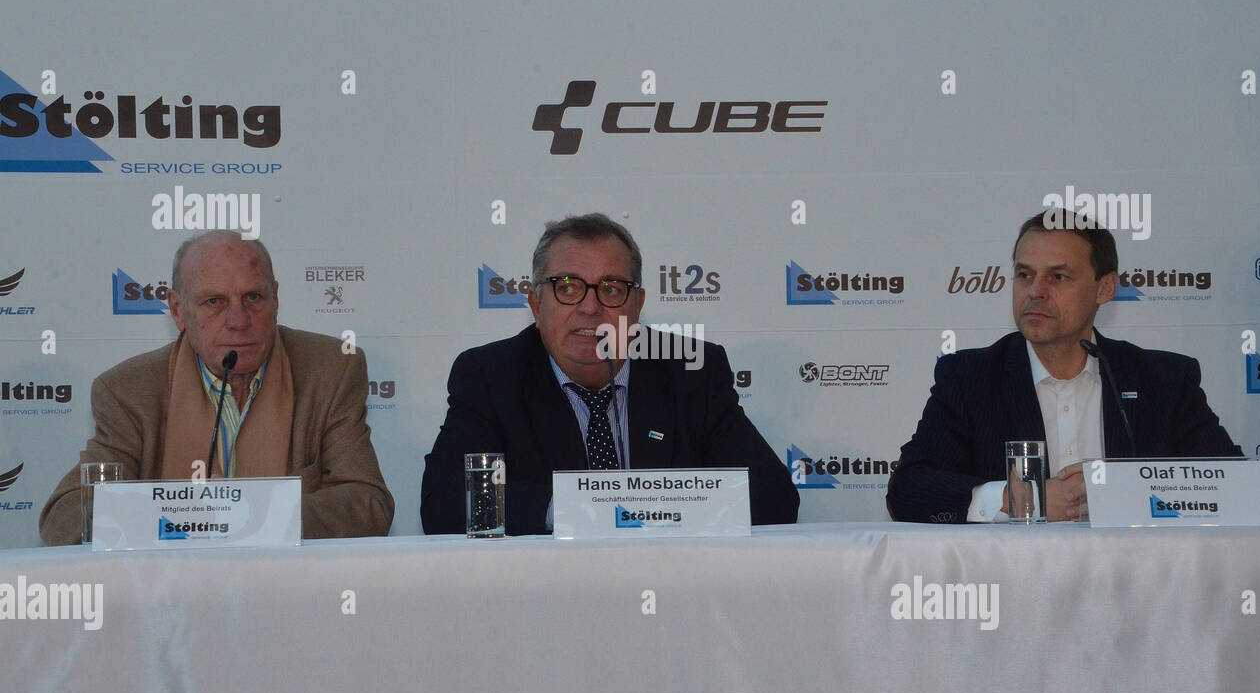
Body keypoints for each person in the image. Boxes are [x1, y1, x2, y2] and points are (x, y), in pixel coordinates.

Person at [421, 213, 798, 534]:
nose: (590, 308)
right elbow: (446, 503)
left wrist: (650, 509)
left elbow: (773, 497)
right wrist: (578, 510)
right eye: (567, 287)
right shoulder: (491, 375)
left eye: (612, 289)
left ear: (637, 306)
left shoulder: (691, 369)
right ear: (537, 305)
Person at [886, 209, 1241, 524]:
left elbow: (1236, 485)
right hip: (1012, 587)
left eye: (1058, 277)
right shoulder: (969, 377)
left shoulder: (1163, 380)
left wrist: (1124, 490)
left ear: (1105, 288)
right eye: (1025, 275)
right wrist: (1017, 500)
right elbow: (909, 490)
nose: (1035, 291)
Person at [40, 230, 394, 544]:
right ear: (178, 310)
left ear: (276, 298)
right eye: (214, 302)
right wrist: (185, 514)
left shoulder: (330, 369)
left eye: (253, 298)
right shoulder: (128, 391)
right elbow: (64, 518)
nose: (239, 321)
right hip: (169, 602)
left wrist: (244, 511)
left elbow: (368, 503)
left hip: (293, 595)